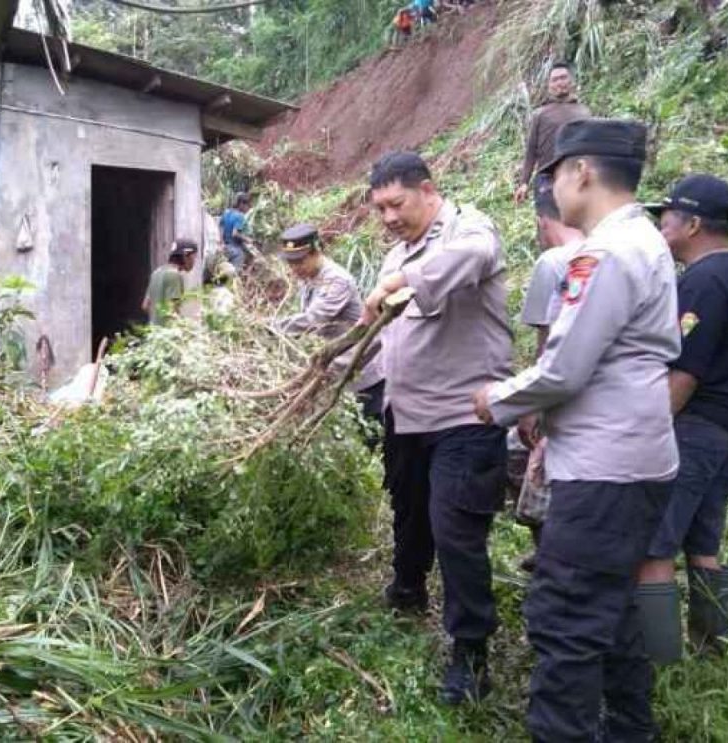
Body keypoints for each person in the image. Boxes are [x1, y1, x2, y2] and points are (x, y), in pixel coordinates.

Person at [474, 118, 680, 742]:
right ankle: (629, 730)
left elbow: (563, 369)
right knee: (611, 609)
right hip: (638, 459)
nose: (552, 192)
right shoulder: (645, 239)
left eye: (555, 177)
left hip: (602, 469)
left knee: (565, 616)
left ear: (581, 172)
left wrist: (495, 399)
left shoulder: (606, 253)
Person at [361, 151, 512, 706]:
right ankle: (408, 589)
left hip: (463, 416)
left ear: (428, 190)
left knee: (456, 531)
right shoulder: (397, 253)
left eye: (396, 204)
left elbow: (475, 256)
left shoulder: (469, 228)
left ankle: (471, 652)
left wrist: (400, 278)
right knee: (408, 510)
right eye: (379, 209)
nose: (388, 218)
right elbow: (385, 334)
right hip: (407, 414)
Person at [636, 175, 728, 662]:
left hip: (699, 428)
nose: (660, 229)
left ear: (692, 225)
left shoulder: (703, 281)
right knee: (703, 542)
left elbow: (685, 372)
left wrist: (648, 431)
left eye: (665, 219)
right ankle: (712, 653)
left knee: (654, 544)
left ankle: (659, 664)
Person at [512, 188, 585, 572]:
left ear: (542, 221)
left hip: (558, 389)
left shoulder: (553, 261)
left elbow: (546, 342)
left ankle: (549, 551)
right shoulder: (613, 250)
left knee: (521, 455)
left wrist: (530, 407)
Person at [275, 224, 385, 422]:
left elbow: (314, 319)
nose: (294, 268)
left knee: (371, 428)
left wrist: (273, 327)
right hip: (338, 367)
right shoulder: (310, 276)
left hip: (362, 370)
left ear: (316, 251)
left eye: (299, 262)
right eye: (290, 263)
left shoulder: (336, 280)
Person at [514, 62, 591, 224]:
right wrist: (524, 183)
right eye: (555, 79)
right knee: (549, 227)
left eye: (563, 78)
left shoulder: (584, 112)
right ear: (549, 85)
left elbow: (590, 149)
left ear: (571, 81)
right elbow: (531, 150)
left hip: (575, 178)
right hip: (547, 181)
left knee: (577, 227)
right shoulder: (540, 115)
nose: (559, 83)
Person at [142, 239, 198, 325]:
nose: (194, 261)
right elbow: (173, 311)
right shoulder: (175, 275)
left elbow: (145, 306)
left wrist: (157, 318)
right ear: (186, 256)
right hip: (166, 330)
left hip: (153, 330)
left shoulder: (156, 272)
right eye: (194, 257)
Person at [218, 193, 251, 271]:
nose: (248, 208)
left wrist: (221, 243)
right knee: (234, 272)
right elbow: (235, 233)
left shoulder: (226, 212)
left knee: (222, 270)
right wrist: (247, 239)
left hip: (224, 247)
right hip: (235, 249)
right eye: (247, 206)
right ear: (241, 204)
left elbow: (220, 228)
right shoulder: (240, 216)